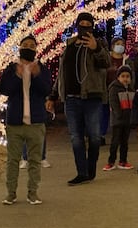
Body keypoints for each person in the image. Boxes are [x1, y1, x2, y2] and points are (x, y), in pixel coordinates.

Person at [58, 12, 111, 186]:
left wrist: (95, 47)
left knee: (95, 137)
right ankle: (82, 173)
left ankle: (91, 169)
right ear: (77, 25)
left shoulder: (100, 43)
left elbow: (106, 63)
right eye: (82, 23)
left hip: (92, 97)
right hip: (71, 99)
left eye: (89, 23)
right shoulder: (70, 45)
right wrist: (54, 95)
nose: (85, 26)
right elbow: (62, 73)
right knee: (76, 137)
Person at [0, 34, 51, 205]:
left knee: (35, 160)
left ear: (36, 49)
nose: (28, 47)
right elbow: (5, 90)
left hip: (36, 122)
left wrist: (35, 75)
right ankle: (10, 193)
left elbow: (46, 90)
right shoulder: (11, 68)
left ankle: (33, 193)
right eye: (25, 44)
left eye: (32, 45)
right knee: (13, 160)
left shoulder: (42, 69)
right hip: (15, 122)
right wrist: (17, 76)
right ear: (20, 47)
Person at [102, 65, 135, 171]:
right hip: (117, 120)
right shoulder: (114, 88)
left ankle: (123, 161)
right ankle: (111, 162)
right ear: (118, 77)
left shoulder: (131, 89)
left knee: (124, 142)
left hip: (127, 120)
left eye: (127, 76)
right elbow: (113, 103)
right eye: (123, 76)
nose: (125, 79)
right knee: (115, 141)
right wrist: (119, 114)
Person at [100, 36, 130, 145]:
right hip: (106, 90)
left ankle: (119, 136)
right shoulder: (106, 59)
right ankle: (101, 135)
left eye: (122, 44)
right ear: (112, 46)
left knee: (119, 114)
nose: (120, 46)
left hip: (121, 92)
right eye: (118, 44)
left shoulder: (126, 60)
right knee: (104, 113)